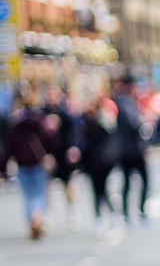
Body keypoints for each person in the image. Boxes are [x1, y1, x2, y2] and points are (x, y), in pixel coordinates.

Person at [4, 90, 57, 240]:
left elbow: (9, 147)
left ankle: (31, 219)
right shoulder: (41, 122)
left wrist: (3, 168)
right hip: (38, 162)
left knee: (28, 195)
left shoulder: (15, 125)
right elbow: (50, 141)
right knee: (40, 193)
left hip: (23, 164)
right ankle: (37, 215)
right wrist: (50, 154)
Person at [111, 75, 149, 226]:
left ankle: (128, 213)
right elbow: (134, 124)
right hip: (132, 150)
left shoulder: (122, 101)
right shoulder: (125, 102)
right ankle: (138, 211)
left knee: (128, 182)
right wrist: (143, 123)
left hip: (125, 150)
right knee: (142, 180)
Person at [42, 84, 82, 226]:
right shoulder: (43, 113)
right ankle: (48, 214)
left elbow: (75, 133)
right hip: (49, 155)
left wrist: (73, 148)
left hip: (63, 155)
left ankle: (72, 211)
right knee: (48, 186)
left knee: (68, 185)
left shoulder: (65, 114)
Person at [79, 95, 119, 232]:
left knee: (100, 190)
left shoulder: (99, 122)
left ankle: (106, 216)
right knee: (100, 190)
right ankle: (104, 216)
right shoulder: (88, 123)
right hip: (97, 162)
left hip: (100, 161)